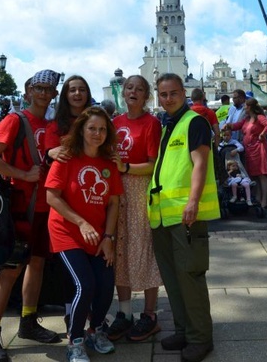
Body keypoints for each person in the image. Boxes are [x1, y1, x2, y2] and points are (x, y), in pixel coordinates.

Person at [0, 70, 62, 362]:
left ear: (54, 94)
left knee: (37, 265)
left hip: (45, 208)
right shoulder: (15, 120)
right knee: (9, 270)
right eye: (37, 87)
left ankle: (28, 321)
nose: (42, 93)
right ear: (27, 92)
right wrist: (22, 174)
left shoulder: (53, 125)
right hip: (19, 208)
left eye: (48, 89)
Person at [148, 73, 219, 362]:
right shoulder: (169, 125)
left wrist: (192, 202)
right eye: (163, 94)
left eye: (173, 93)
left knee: (190, 277)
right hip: (163, 216)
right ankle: (183, 330)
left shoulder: (194, 122)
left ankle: (201, 338)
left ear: (183, 92)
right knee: (173, 278)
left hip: (185, 214)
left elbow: (200, 163)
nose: (167, 99)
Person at [45, 106, 122, 362]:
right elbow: (52, 197)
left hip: (99, 235)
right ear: (82, 130)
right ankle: (75, 340)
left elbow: (113, 203)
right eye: (92, 128)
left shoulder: (109, 162)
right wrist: (81, 223)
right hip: (67, 231)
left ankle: (96, 330)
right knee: (84, 284)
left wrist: (109, 238)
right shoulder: (66, 157)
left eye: (102, 129)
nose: (97, 133)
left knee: (105, 285)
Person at [106, 75, 164, 343]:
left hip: (139, 189)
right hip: (117, 191)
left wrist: (126, 168)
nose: (133, 92)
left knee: (144, 249)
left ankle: (150, 314)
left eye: (139, 89)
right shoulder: (115, 122)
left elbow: (153, 164)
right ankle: (125, 312)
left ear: (146, 96)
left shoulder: (151, 123)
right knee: (120, 250)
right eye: (129, 87)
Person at [226, 98, 267, 211]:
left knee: (261, 174)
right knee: (253, 175)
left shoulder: (259, 117)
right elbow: (237, 125)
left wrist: (262, 134)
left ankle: (264, 200)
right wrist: (228, 126)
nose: (244, 108)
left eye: (246, 106)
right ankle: (257, 197)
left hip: (259, 148)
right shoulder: (246, 119)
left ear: (250, 107)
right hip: (250, 149)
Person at [46, 75, 93, 162]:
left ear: (88, 94)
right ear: (65, 95)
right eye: (72, 90)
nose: (77, 93)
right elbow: (49, 160)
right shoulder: (54, 126)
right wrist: (50, 154)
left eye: (82, 90)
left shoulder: (98, 122)